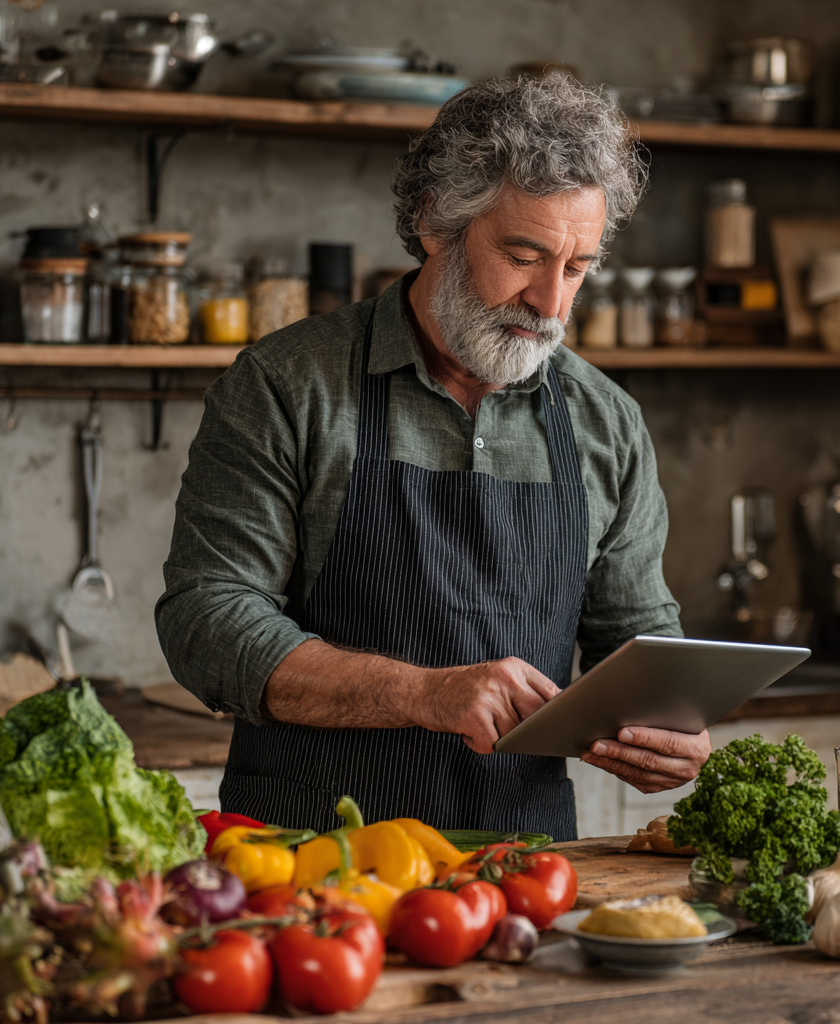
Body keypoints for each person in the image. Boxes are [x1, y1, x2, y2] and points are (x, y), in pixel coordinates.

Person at [156, 74, 710, 842]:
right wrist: (421, 693)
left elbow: (639, 638)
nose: (551, 303)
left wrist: (667, 726)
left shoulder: (605, 422)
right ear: (434, 225)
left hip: (525, 867)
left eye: (577, 267)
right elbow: (207, 621)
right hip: (310, 865)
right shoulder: (289, 386)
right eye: (523, 255)